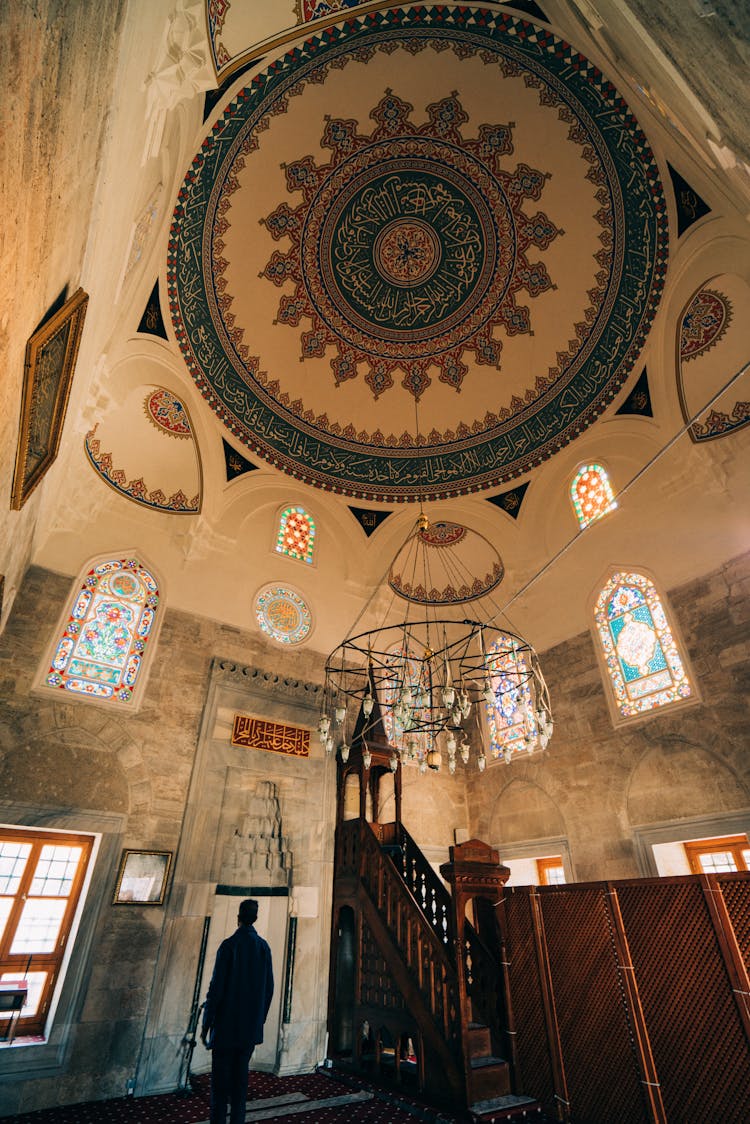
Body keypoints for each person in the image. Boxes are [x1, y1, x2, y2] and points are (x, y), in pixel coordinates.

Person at [201, 899, 274, 1124]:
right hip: (248, 1032)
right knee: (240, 1087)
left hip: (225, 1030)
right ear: (256, 918)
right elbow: (268, 990)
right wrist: (258, 1021)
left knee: (220, 1090)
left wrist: (206, 1024)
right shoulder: (263, 947)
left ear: (238, 917)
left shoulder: (229, 946)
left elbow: (216, 990)